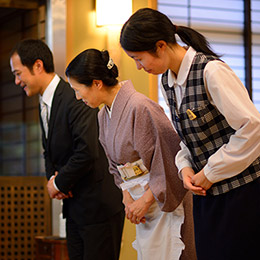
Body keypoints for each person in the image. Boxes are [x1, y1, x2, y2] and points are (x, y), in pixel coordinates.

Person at [119, 7, 260, 260]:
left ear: (160, 46)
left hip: (243, 192)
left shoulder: (211, 71)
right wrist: (184, 168)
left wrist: (210, 171)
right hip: (206, 193)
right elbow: (186, 138)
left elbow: (252, 129)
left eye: (138, 58)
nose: (138, 67)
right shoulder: (168, 81)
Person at [65, 48, 197, 260]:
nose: (77, 97)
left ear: (97, 83)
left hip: (161, 200)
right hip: (139, 201)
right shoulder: (102, 116)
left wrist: (144, 201)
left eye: (78, 89)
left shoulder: (140, 107)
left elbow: (170, 160)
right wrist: (127, 198)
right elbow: (116, 167)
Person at [9, 39, 125, 260]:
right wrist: (55, 181)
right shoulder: (44, 101)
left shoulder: (75, 93)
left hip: (98, 205)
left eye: (18, 73)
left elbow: (87, 149)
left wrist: (59, 183)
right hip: (74, 206)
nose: (16, 81)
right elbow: (48, 152)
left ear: (37, 66)